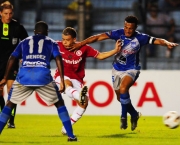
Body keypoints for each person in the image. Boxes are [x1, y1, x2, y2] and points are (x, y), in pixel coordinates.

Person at [70, 15, 178, 131]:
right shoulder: (118, 33)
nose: (127, 30)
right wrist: (80, 44)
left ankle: (123, 118)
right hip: (117, 69)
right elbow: (98, 37)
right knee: (120, 98)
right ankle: (134, 114)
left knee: (123, 89)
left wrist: (167, 42)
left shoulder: (140, 38)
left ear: (135, 27)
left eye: (130, 28)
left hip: (132, 69)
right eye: (126, 27)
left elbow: (157, 40)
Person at [0, 21, 77, 142]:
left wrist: (5, 77)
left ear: (34, 32)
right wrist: (62, 80)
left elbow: (12, 58)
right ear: (47, 33)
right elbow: (58, 58)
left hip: (24, 76)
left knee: (10, 103)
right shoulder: (51, 42)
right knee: (59, 103)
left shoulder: (24, 42)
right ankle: (71, 136)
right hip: (42, 76)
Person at [54, 27, 121, 135]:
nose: (64, 42)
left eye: (67, 39)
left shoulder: (83, 48)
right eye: (63, 39)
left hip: (77, 79)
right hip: (61, 76)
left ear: (74, 39)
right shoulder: (57, 45)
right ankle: (78, 95)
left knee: (84, 104)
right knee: (67, 85)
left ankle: (66, 128)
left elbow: (100, 56)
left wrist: (115, 50)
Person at [0, 1, 28, 128]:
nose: (8, 16)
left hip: (12, 62)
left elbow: (27, 42)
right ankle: (3, 116)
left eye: (10, 13)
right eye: (5, 13)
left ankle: (11, 121)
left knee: (11, 91)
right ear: (0, 13)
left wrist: (23, 56)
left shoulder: (18, 27)